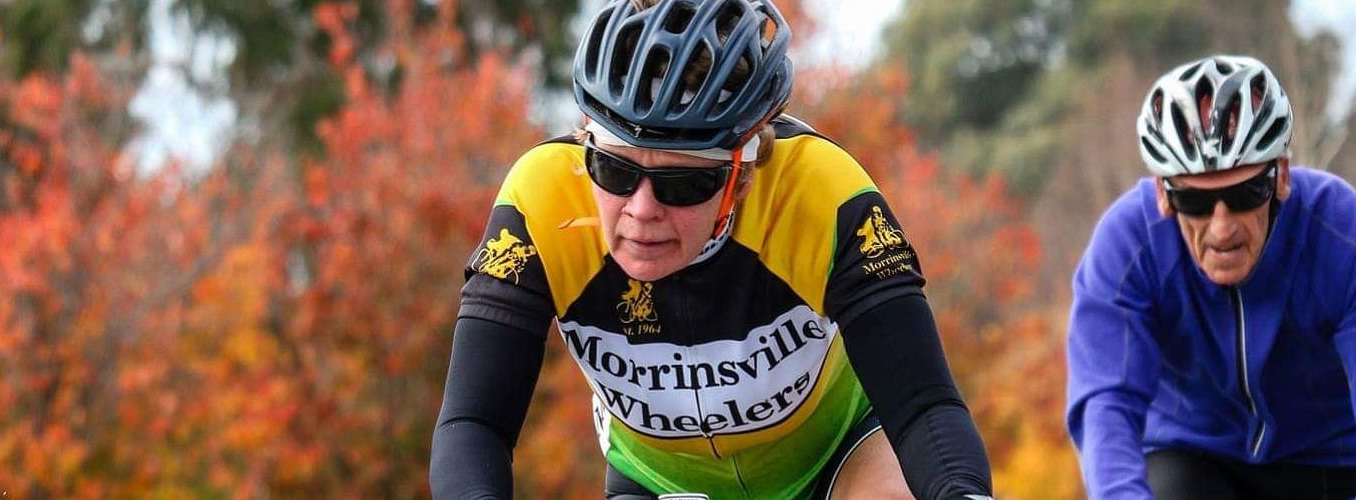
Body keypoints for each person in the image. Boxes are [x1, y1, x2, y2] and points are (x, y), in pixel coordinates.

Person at [430, 0, 995, 498]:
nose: (642, 209)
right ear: (585, 143)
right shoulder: (540, 204)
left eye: (684, 184)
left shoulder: (819, 194)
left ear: (742, 175)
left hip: (838, 454)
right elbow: (475, 424)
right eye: (614, 170)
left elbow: (923, 405)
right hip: (660, 479)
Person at [1065, 54, 1356, 499]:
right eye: (1195, 201)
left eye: (1245, 194)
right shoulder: (1128, 246)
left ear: (1280, 177)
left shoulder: (1339, 230)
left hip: (1329, 461)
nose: (1222, 228)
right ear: (1163, 193)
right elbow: (1107, 403)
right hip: (1195, 461)